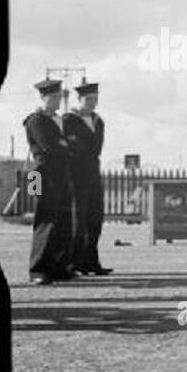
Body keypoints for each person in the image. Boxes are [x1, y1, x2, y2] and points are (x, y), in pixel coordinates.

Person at [22, 79, 75, 284]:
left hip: (62, 173)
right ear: (43, 97)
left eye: (59, 97)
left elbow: (67, 143)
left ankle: (59, 266)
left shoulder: (58, 119)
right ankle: (38, 269)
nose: (57, 101)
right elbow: (49, 145)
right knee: (46, 220)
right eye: (53, 97)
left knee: (63, 221)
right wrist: (65, 145)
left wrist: (65, 145)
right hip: (43, 173)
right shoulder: (36, 120)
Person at [62, 81, 112, 275]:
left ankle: (91, 262)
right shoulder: (69, 120)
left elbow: (96, 148)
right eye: (88, 99)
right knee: (77, 220)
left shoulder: (98, 121)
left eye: (95, 99)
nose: (92, 103)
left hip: (93, 172)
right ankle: (73, 263)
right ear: (79, 100)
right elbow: (75, 147)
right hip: (76, 174)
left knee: (94, 219)